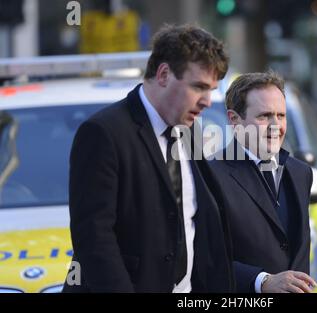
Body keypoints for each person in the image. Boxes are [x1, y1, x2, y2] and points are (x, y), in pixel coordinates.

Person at [63, 24, 234, 293]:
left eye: (212, 89)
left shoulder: (190, 130)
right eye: (199, 87)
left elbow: (196, 223)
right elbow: (95, 239)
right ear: (164, 74)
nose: (207, 101)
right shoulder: (103, 133)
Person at [209, 72, 317, 293]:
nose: (275, 125)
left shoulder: (300, 173)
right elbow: (205, 259)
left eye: (281, 115)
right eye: (264, 116)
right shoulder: (210, 176)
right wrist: (262, 281)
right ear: (234, 119)